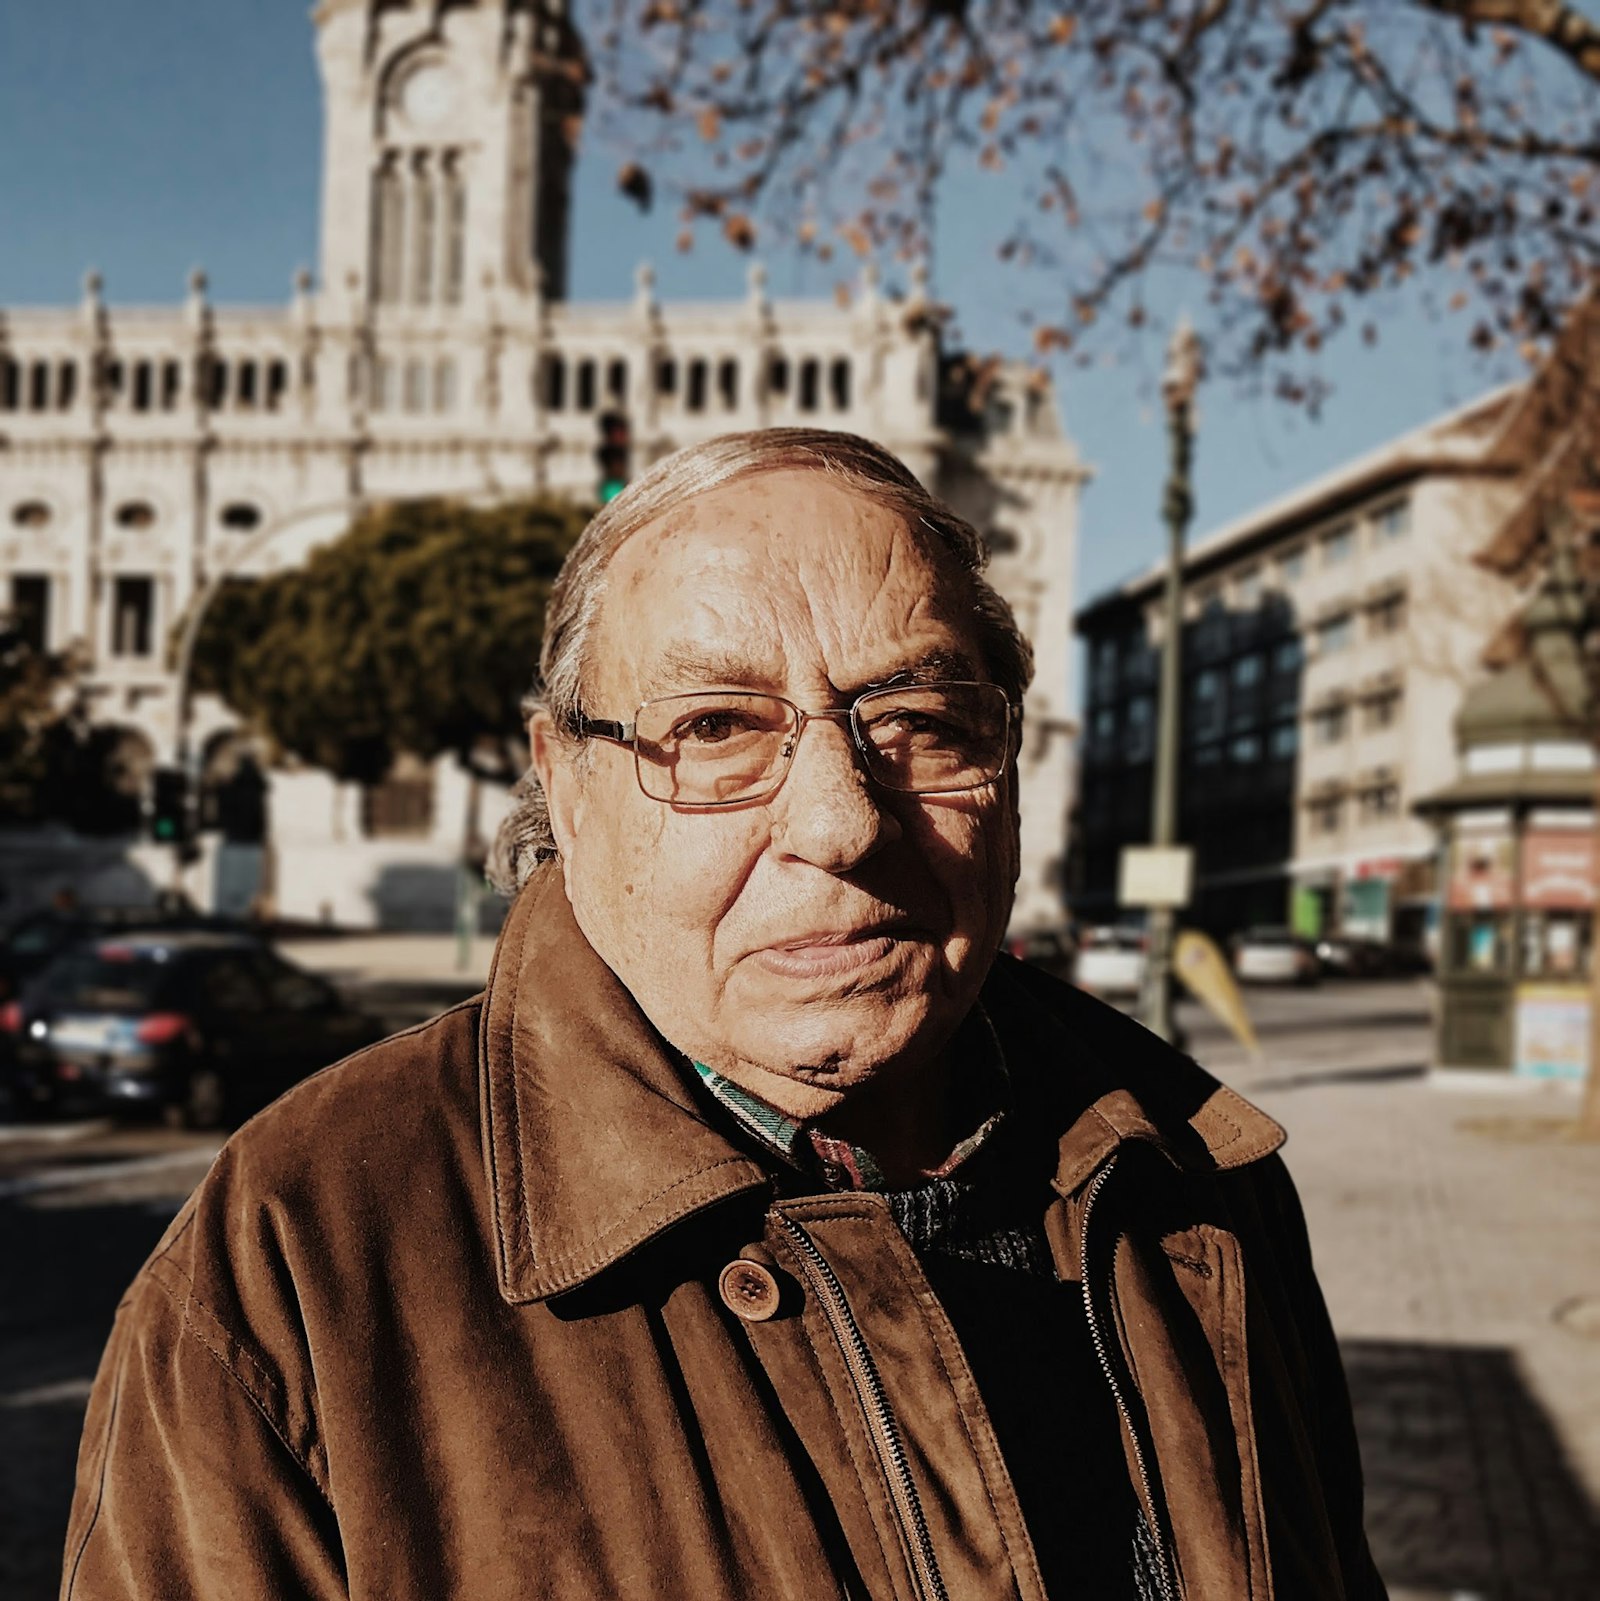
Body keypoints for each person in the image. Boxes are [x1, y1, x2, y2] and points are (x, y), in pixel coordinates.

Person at [62, 429, 1385, 1600]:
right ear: (566, 787)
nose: (842, 819)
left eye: (920, 719)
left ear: (1012, 762)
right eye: (715, 729)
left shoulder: (1195, 1182)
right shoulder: (300, 1261)